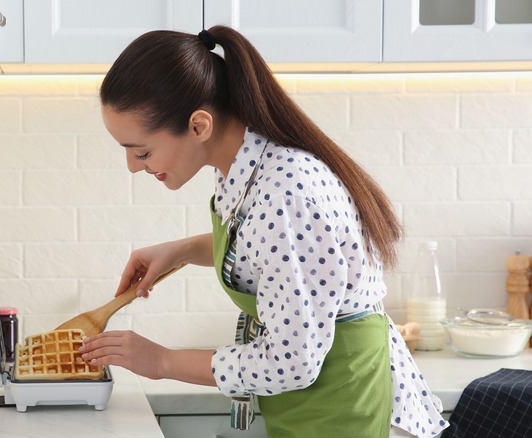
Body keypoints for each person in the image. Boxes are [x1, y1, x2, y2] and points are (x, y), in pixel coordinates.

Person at [79, 25, 448, 438]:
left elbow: (291, 362)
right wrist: (183, 250)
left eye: (141, 151)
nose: (133, 166)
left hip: (352, 405)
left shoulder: (286, 192)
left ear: (199, 126)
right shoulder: (247, 168)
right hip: (319, 404)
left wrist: (161, 361)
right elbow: (265, 249)